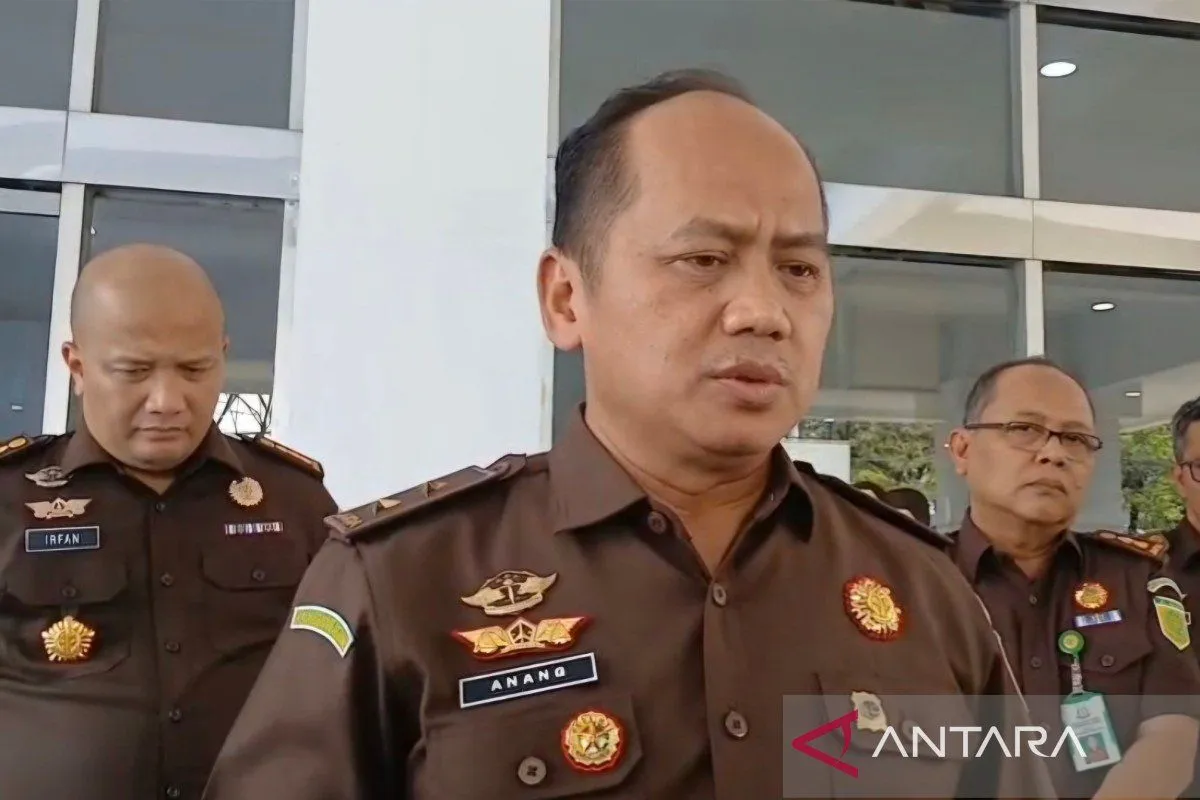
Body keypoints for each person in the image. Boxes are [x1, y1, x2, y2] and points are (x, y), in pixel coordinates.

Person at [204, 70, 1051, 799]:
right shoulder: (400, 581)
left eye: (799, 268)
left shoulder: (921, 588)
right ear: (566, 299)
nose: (764, 312)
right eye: (703, 260)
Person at [0, 244, 337, 800]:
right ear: (77, 367)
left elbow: (349, 675)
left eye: (194, 369)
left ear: (222, 357)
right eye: (134, 371)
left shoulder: (295, 501)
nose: (167, 400)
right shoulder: (10, 500)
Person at [946, 355, 1200, 799]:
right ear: (963, 450)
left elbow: (1173, 735)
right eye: (1024, 429)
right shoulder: (915, 582)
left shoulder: (1138, 580)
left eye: (1076, 439)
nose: (1053, 453)